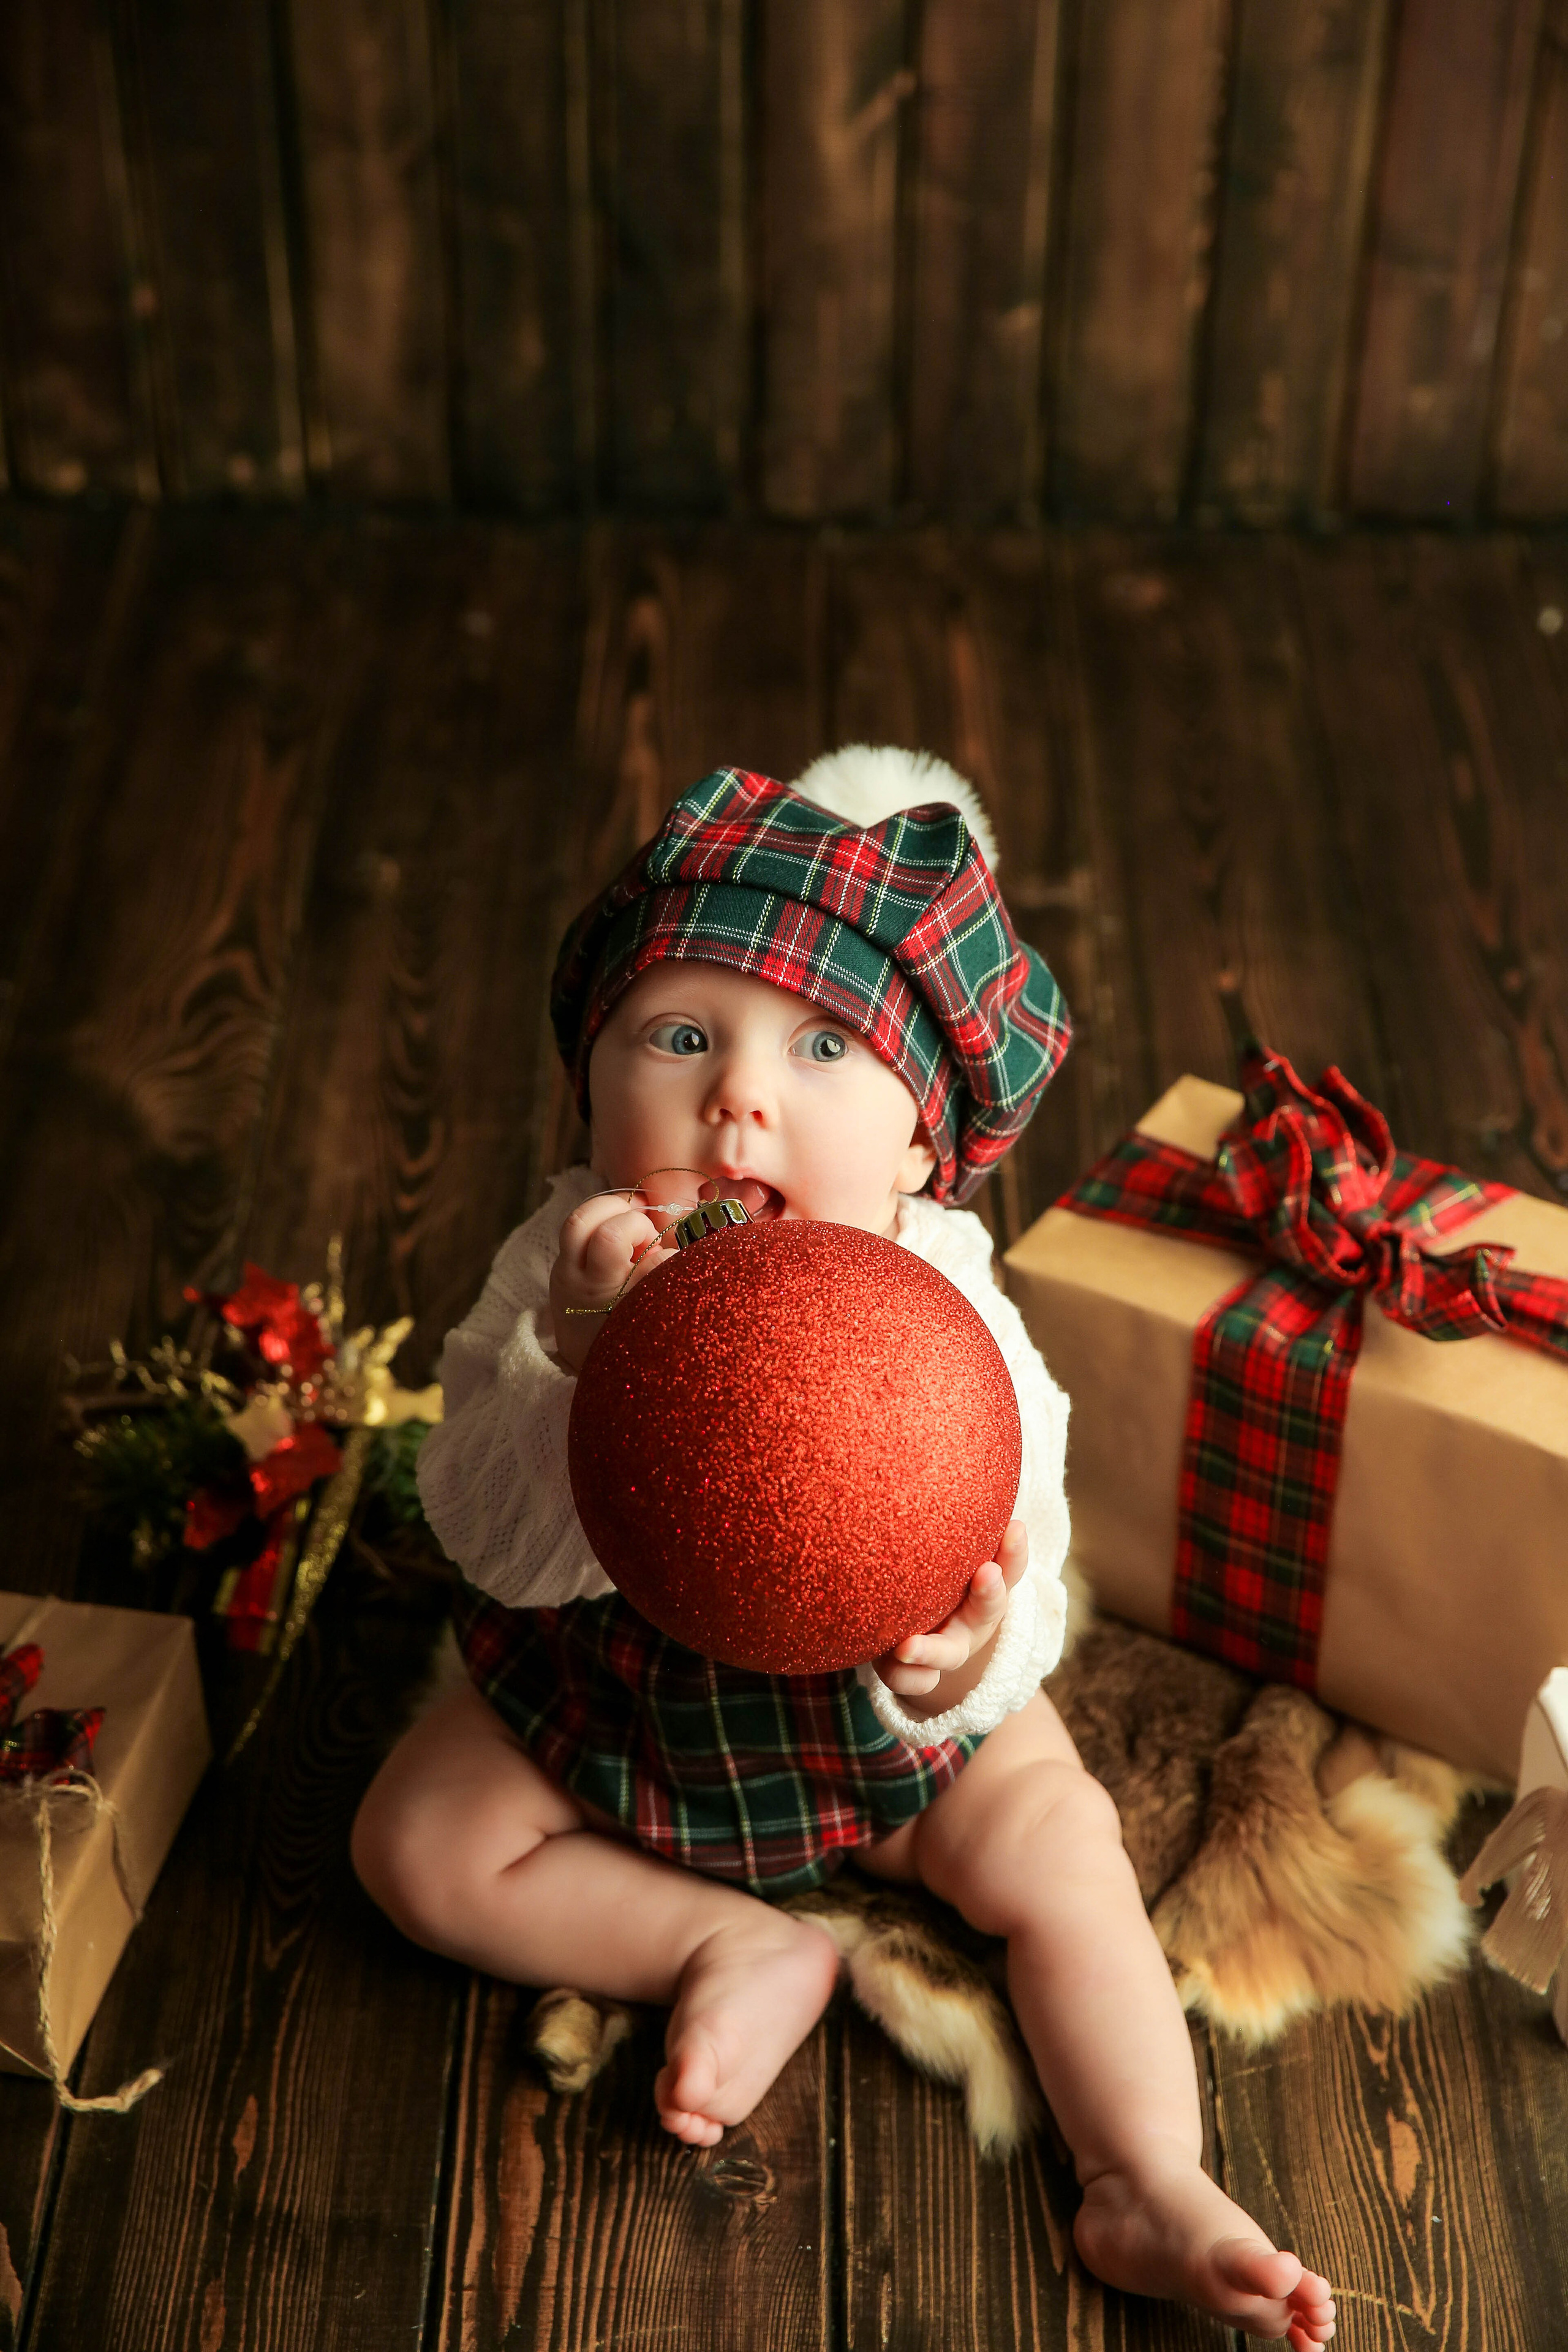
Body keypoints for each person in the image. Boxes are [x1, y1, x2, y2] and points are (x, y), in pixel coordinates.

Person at [352, 752, 1336, 2348]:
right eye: (679, 1036)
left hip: (877, 1719)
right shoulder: (564, 1262)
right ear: (589, 1086)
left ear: (921, 1154)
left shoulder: (942, 1294)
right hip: (614, 1691)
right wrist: (583, 1363)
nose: (738, 1095)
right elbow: (479, 1525)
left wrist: (970, 1650)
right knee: (416, 1844)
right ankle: (720, 1941)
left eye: (822, 1048)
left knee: (1061, 1848)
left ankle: (1147, 2173)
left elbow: (1024, 1510)